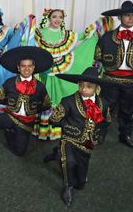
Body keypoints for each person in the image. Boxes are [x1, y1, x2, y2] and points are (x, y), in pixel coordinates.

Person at [34, 8, 113, 140]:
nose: (57, 20)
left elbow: (84, 36)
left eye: (60, 17)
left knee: (58, 97)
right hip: (46, 72)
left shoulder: (66, 34)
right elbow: (32, 43)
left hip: (61, 70)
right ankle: (43, 130)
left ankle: (56, 130)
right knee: (46, 98)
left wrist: (95, 28)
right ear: (49, 18)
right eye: (54, 17)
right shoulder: (40, 32)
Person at [46, 67, 113, 206]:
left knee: (81, 183)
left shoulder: (103, 103)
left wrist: (100, 137)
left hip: (88, 144)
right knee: (69, 163)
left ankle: (57, 154)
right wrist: (68, 128)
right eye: (81, 85)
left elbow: (106, 122)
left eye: (89, 86)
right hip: (69, 139)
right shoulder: (68, 101)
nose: (84, 89)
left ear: (96, 87)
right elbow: (53, 119)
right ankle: (67, 187)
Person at [0, 46, 52, 164]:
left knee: (19, 152)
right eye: (23, 66)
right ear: (18, 67)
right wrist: (12, 105)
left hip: (26, 123)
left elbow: (46, 104)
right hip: (10, 116)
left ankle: (10, 132)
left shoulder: (40, 87)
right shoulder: (9, 82)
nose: (26, 69)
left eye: (29, 66)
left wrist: (32, 110)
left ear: (33, 68)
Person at [95, 1, 133, 149]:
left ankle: (126, 135)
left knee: (129, 111)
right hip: (110, 80)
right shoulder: (106, 37)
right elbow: (97, 58)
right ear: (120, 17)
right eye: (127, 15)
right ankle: (100, 134)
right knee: (105, 108)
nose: (131, 18)